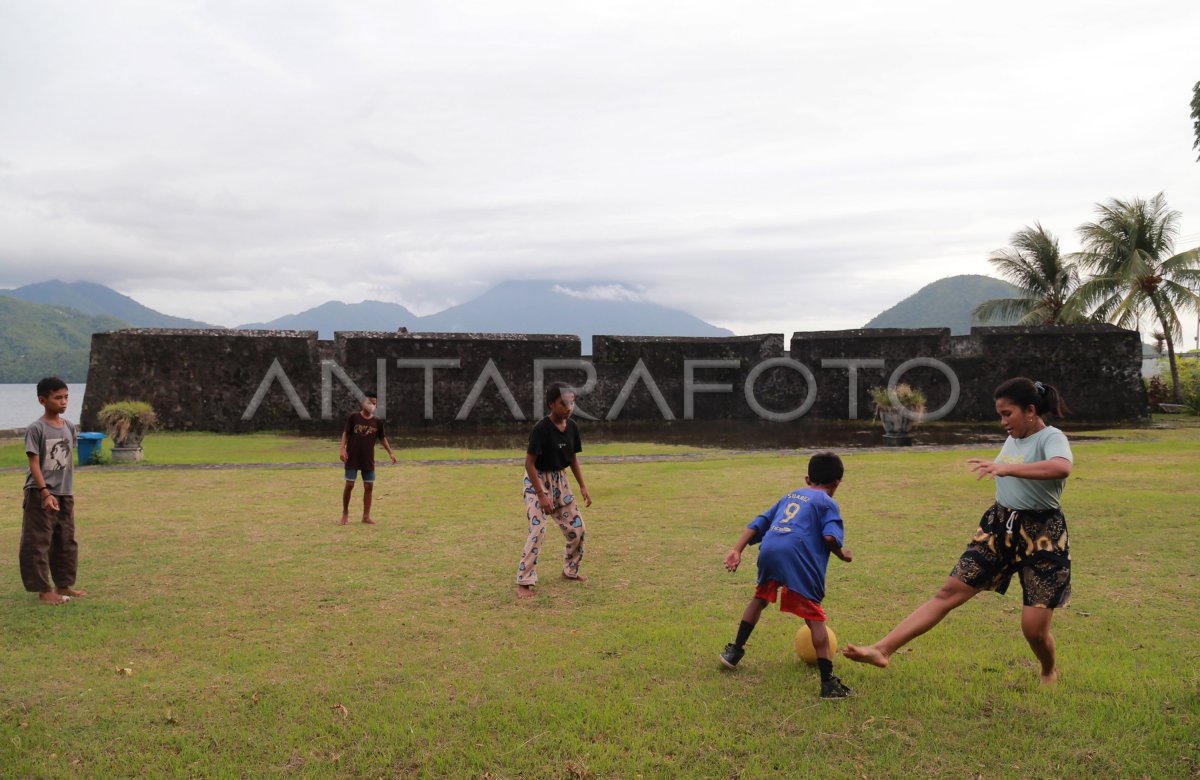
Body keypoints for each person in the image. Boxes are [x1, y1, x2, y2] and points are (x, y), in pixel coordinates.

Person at [844, 377, 1073, 686]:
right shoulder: (1014, 437)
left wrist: (1006, 468)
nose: (1003, 421)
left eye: (1008, 414)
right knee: (948, 593)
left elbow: (1061, 467)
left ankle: (1048, 669)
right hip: (999, 527)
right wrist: (1001, 467)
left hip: (1042, 534)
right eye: (1001, 414)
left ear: (1030, 410)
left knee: (1034, 628)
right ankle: (882, 649)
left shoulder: (1051, 437)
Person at [719, 452, 855, 699]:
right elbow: (830, 537)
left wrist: (736, 549)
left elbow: (759, 523)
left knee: (759, 599)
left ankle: (734, 651)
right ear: (837, 483)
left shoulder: (790, 496)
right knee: (814, 617)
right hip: (797, 554)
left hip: (770, 548)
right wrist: (841, 554)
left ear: (807, 479)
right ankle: (828, 683)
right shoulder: (827, 502)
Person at [516, 382, 592, 599]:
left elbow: (573, 458)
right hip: (537, 481)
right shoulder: (541, 429)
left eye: (572, 402)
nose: (569, 407)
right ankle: (524, 580)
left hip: (560, 480)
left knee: (578, 529)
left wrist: (583, 486)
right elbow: (529, 464)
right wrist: (541, 495)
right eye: (563, 403)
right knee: (538, 530)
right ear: (551, 404)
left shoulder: (573, 427)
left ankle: (570, 570)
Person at [19, 376, 86, 605]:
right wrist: (45, 492)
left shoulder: (68, 426)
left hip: (65, 493)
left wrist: (62, 492)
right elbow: (34, 463)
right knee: (38, 541)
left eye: (66, 397)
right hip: (40, 493)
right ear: (42, 400)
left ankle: (64, 584)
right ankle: (43, 590)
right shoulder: (36, 429)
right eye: (58, 398)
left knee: (66, 541)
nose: (63, 402)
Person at [338, 391, 396, 525]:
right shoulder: (354, 417)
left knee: (369, 486)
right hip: (352, 457)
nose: (372, 406)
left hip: (367, 458)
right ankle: (345, 513)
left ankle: (366, 516)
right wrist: (342, 449)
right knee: (349, 484)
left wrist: (390, 453)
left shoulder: (377, 422)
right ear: (363, 403)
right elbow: (345, 433)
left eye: (374, 404)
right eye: (370, 403)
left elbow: (382, 438)